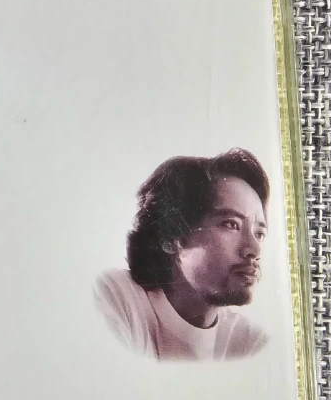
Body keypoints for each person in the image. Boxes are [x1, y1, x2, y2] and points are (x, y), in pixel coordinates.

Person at [95, 149, 270, 361]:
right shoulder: (117, 297)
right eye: (231, 224)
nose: (255, 250)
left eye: (259, 233)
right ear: (169, 237)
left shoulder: (251, 343)